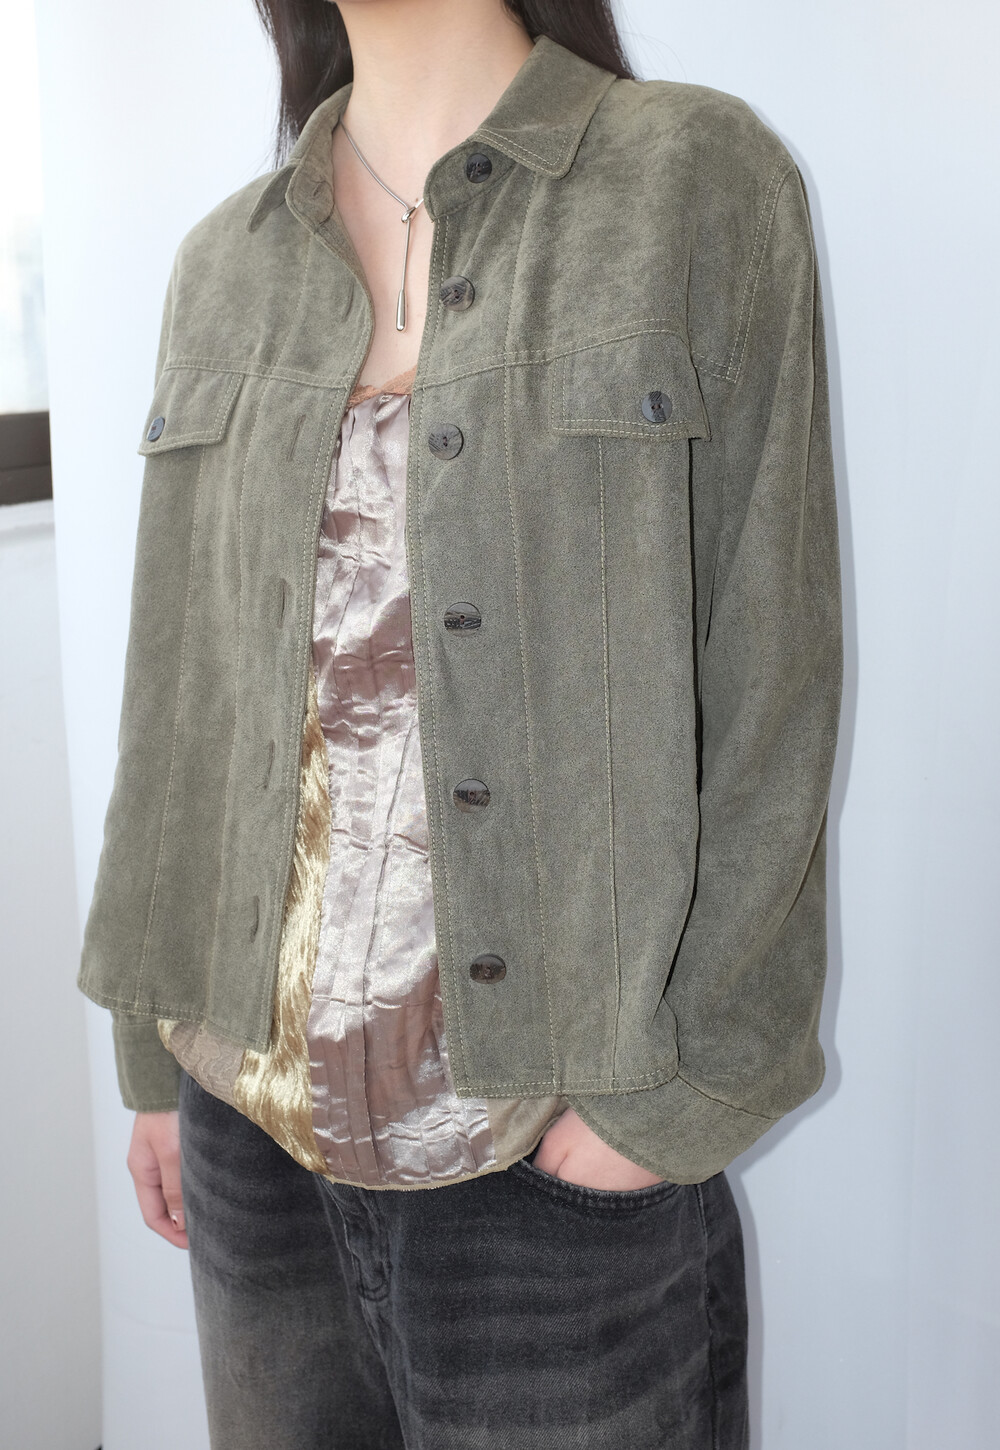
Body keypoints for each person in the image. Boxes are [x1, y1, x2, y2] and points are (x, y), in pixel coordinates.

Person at [78, 1, 843, 1445]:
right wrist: (149, 1051)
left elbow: (773, 668)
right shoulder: (225, 263)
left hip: (553, 1150)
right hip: (245, 1120)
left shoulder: (689, 179)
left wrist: (666, 1106)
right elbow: (177, 689)